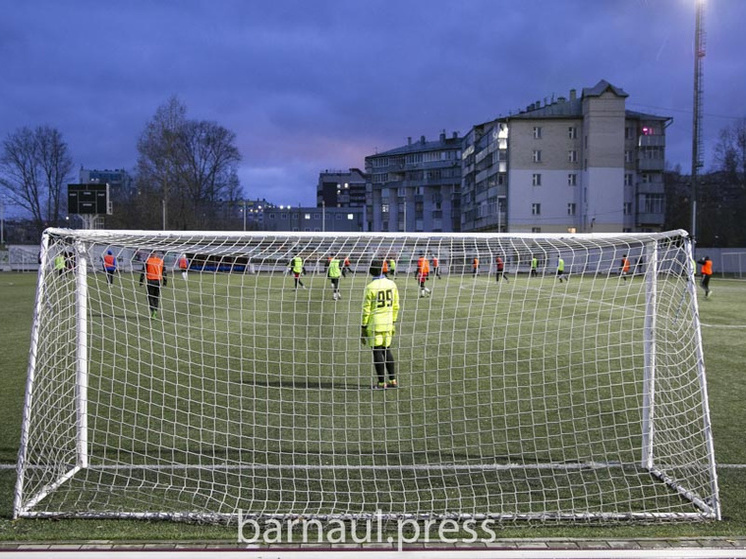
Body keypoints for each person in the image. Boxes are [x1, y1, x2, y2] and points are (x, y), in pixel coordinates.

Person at [361, 258, 400, 389]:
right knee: (387, 350)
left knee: (377, 351)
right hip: (389, 323)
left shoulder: (370, 287)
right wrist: (393, 320)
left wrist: (363, 326)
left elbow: (366, 309)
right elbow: (396, 306)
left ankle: (381, 383)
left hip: (375, 324)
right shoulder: (392, 284)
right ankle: (393, 380)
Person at [139, 251, 167, 318]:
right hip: (158, 281)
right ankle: (156, 310)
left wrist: (141, 282)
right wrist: (165, 283)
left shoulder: (148, 261)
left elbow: (143, 272)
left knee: (149, 296)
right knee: (156, 297)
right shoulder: (161, 261)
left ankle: (153, 310)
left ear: (151, 254)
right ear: (156, 254)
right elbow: (164, 273)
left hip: (150, 280)